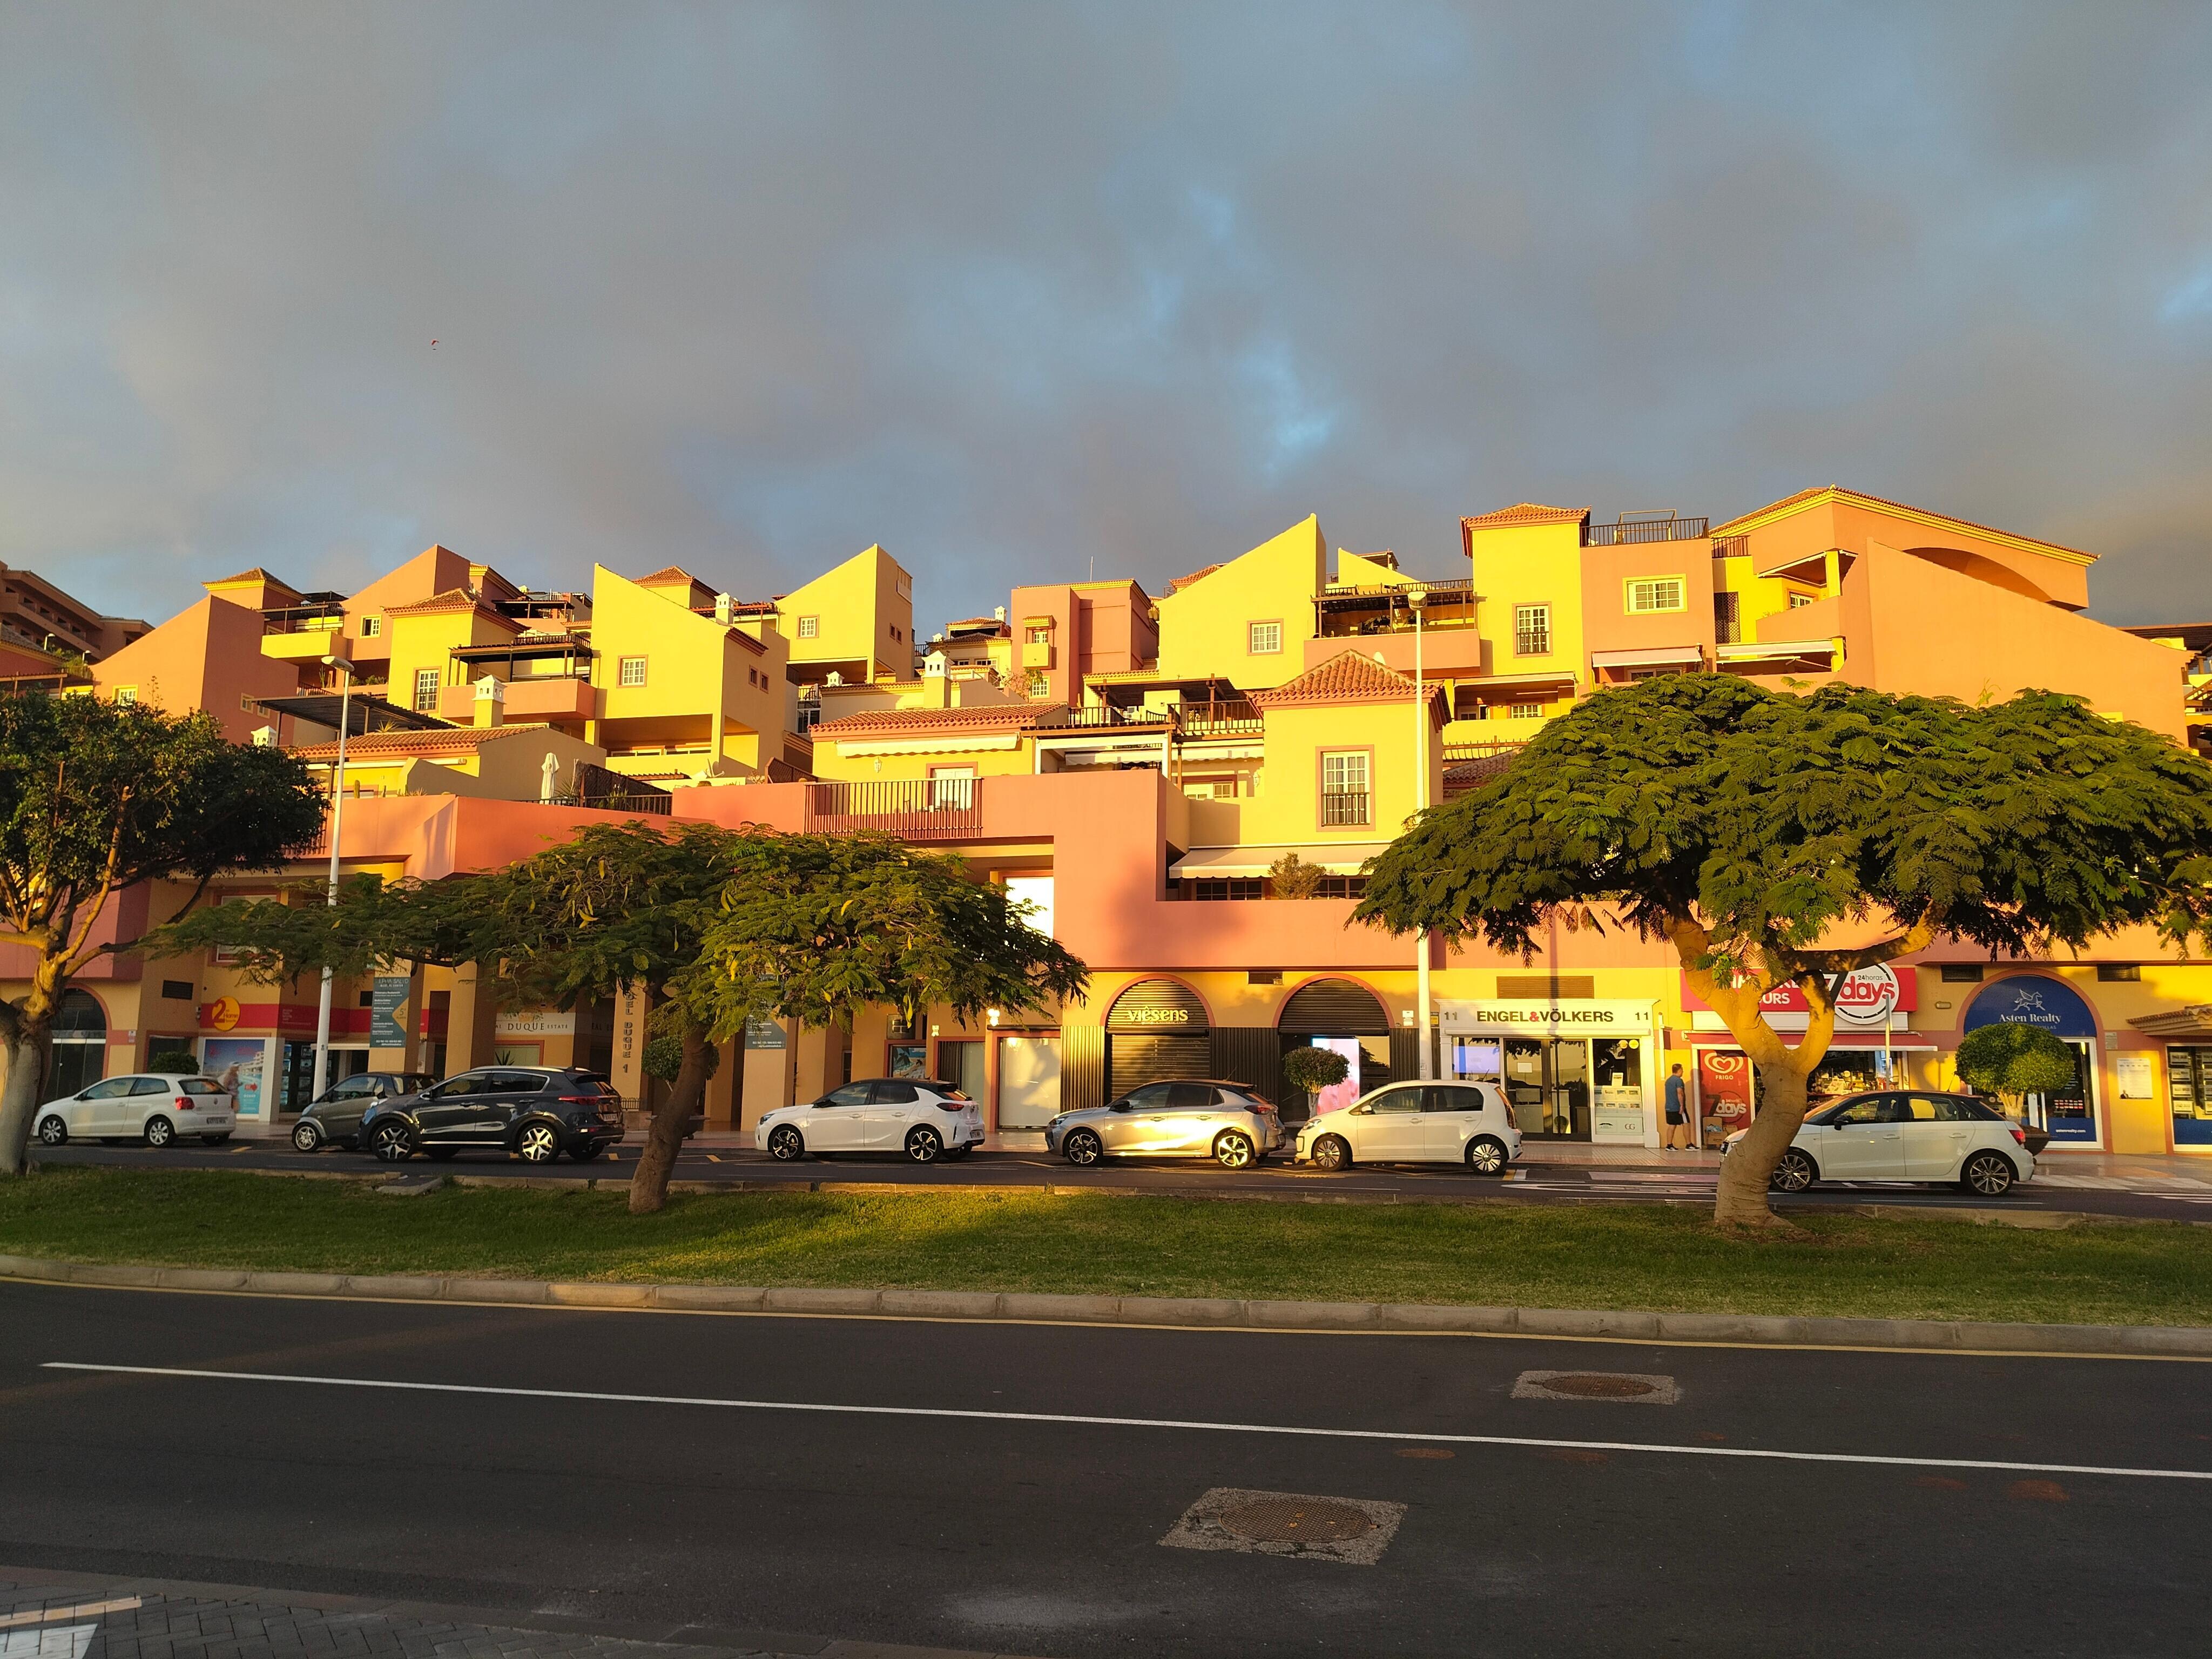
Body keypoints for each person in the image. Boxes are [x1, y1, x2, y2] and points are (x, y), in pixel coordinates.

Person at [1662, 1063, 1691, 1150]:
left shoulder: (1668, 1081)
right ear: (1679, 1071)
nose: (1683, 1072)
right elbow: (1680, 1093)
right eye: (1682, 1070)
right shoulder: (1679, 1080)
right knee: (1686, 1124)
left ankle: (1669, 1145)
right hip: (1677, 1107)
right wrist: (1682, 1106)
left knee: (1672, 1125)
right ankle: (1689, 1144)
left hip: (1669, 1107)